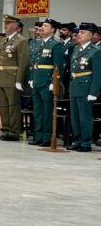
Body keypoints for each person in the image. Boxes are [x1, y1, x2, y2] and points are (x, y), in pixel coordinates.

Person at [0, 14, 29, 141]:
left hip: (12, 78)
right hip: (1, 77)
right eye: (5, 23)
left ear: (16, 26)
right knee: (3, 106)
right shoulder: (3, 40)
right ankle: (5, 129)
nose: (5, 25)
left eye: (9, 23)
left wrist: (19, 80)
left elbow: (23, 62)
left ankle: (14, 131)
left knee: (13, 106)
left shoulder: (21, 41)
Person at [65, 23, 101, 152]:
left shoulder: (95, 52)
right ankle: (78, 140)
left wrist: (94, 92)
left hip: (86, 88)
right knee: (75, 117)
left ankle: (86, 142)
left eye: (82, 33)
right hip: (75, 86)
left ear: (90, 36)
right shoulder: (76, 49)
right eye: (79, 33)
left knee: (85, 117)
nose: (79, 35)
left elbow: (98, 74)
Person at [28, 18, 63, 146]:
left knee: (47, 111)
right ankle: (38, 136)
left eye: (46, 25)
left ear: (53, 30)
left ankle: (47, 137)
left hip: (47, 81)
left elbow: (58, 66)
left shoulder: (55, 44)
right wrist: (31, 78)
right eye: (42, 25)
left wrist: (54, 82)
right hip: (37, 80)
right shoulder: (38, 43)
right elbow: (34, 63)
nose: (42, 28)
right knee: (38, 111)